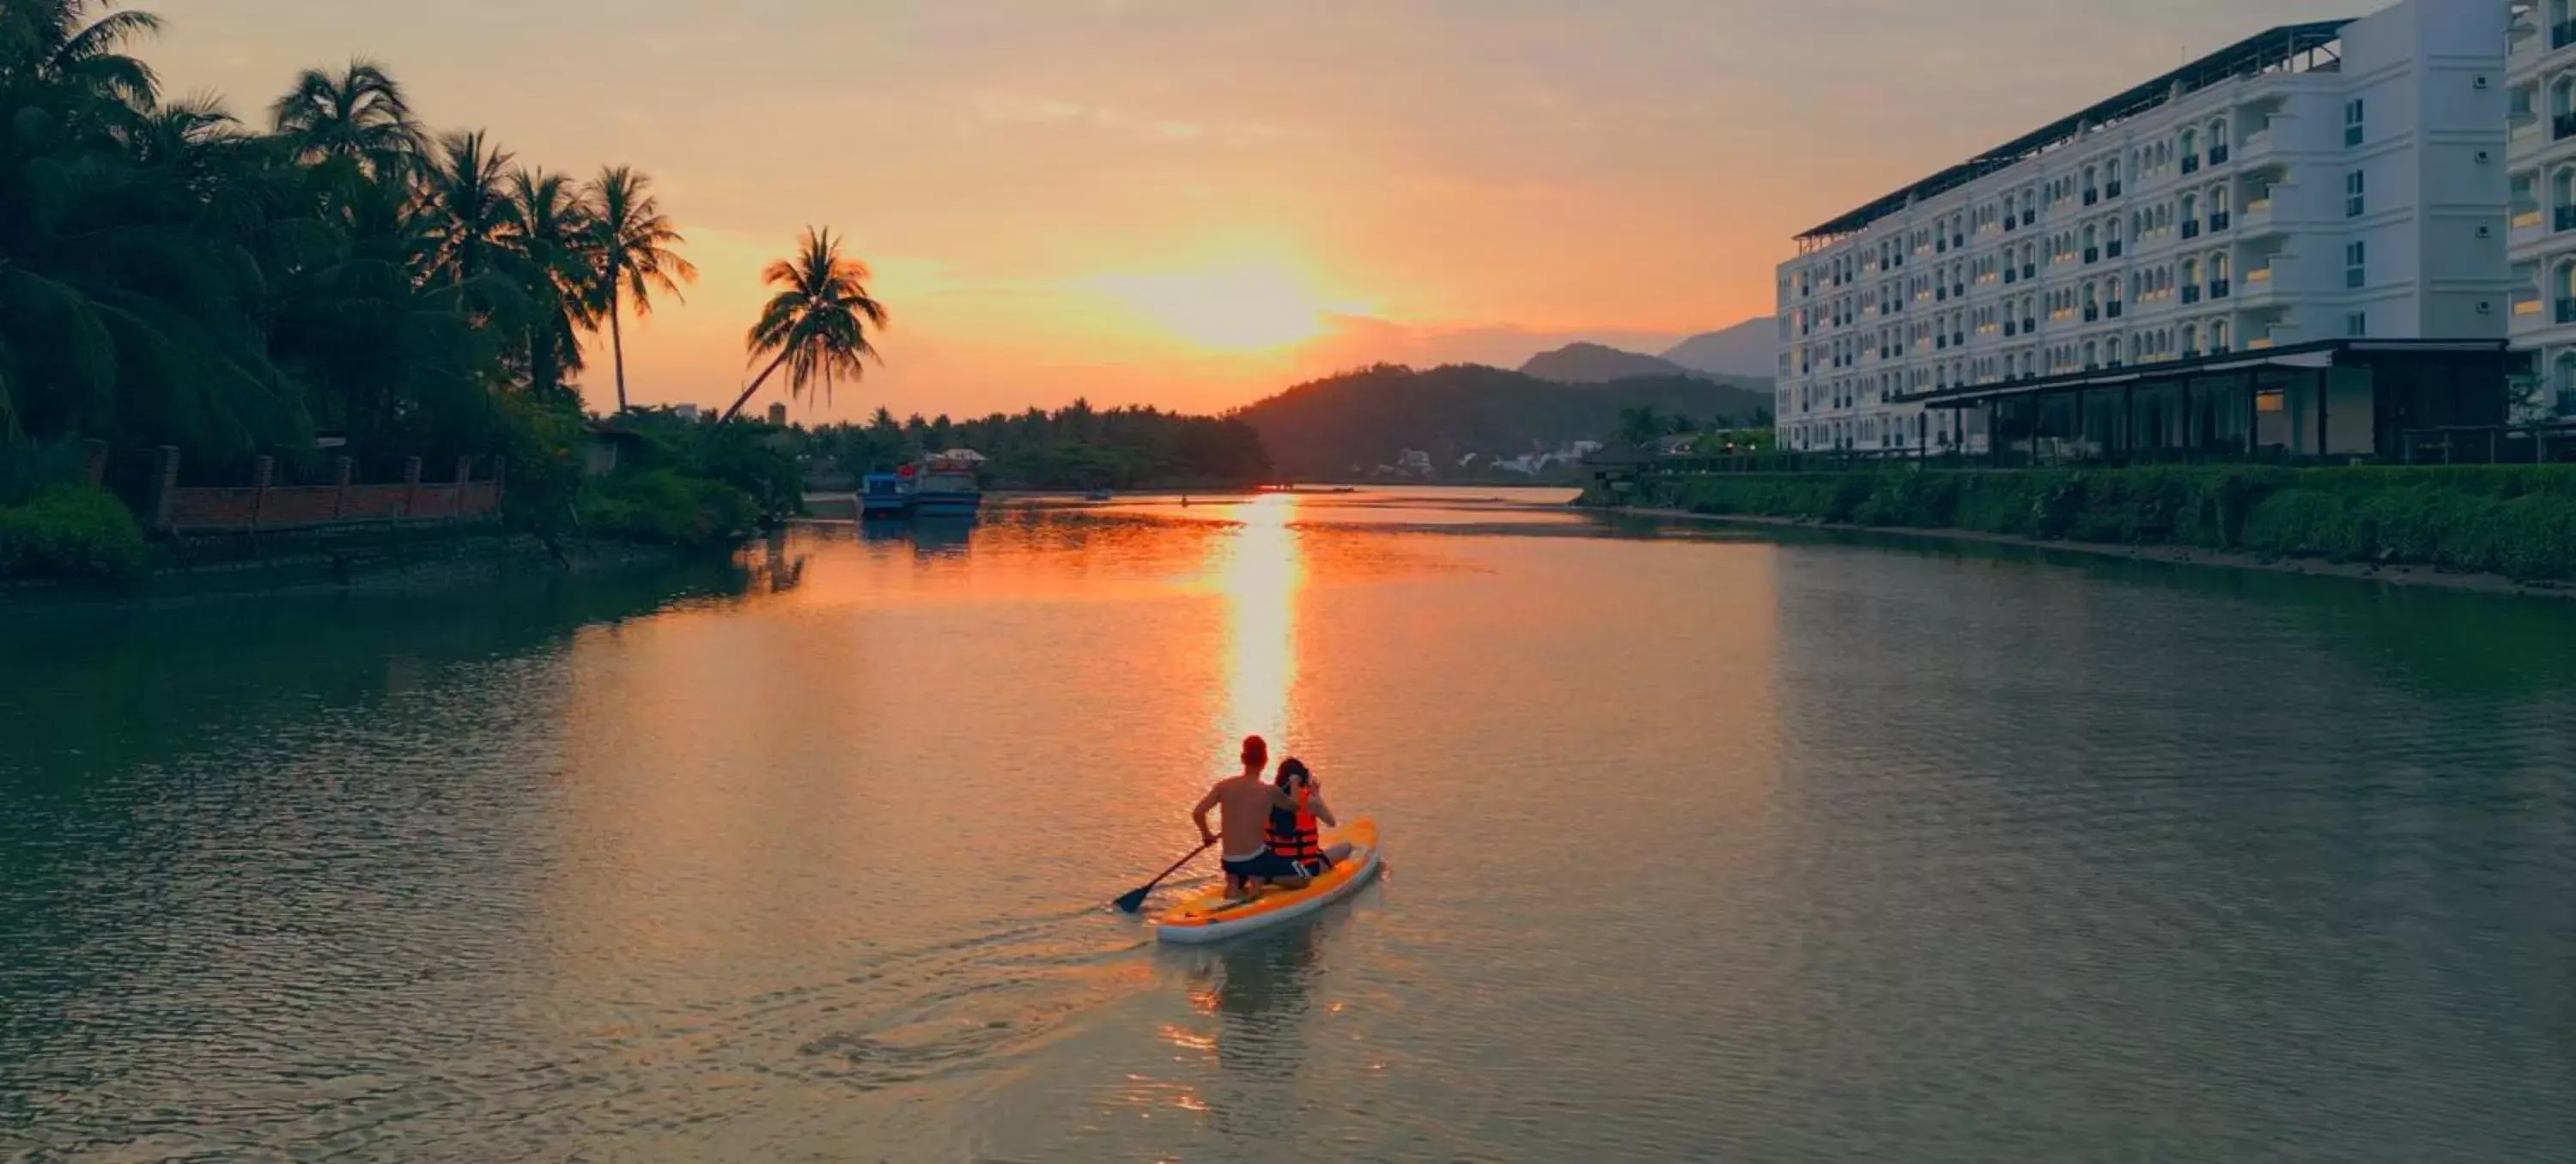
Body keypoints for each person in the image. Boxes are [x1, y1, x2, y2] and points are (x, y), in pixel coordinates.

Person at [1193, 735, 1305, 899]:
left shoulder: (1223, 786)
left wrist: (1206, 835)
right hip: (1256, 859)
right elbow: (1295, 807)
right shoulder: (1269, 791)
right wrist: (1294, 782)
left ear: (1242, 759)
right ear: (1265, 761)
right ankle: (1262, 878)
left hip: (1229, 861)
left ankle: (1234, 884)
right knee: (1304, 878)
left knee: (1236, 870)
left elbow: (1198, 813)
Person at [1267, 758, 1354, 876]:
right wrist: (1316, 794)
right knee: (1346, 847)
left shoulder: (1266, 799)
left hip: (1275, 867)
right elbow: (1331, 822)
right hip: (1304, 868)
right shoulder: (1309, 801)